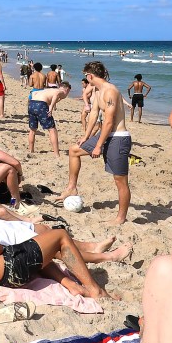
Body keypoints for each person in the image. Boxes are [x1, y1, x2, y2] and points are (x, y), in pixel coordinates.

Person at [57, 61, 132, 225]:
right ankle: (71, 187)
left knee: (120, 181)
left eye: (85, 76)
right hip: (105, 136)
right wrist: (86, 136)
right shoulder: (97, 91)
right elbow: (94, 114)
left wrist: (98, 145)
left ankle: (120, 218)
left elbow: (109, 121)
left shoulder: (110, 91)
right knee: (74, 150)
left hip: (118, 138)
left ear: (89, 76)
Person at [27, 82, 71, 157]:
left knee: (32, 129)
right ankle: (56, 154)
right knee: (52, 129)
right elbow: (57, 94)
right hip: (41, 105)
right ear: (66, 89)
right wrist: (51, 107)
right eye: (68, 92)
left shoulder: (48, 90)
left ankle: (31, 150)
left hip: (32, 104)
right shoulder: (59, 91)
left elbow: (33, 93)